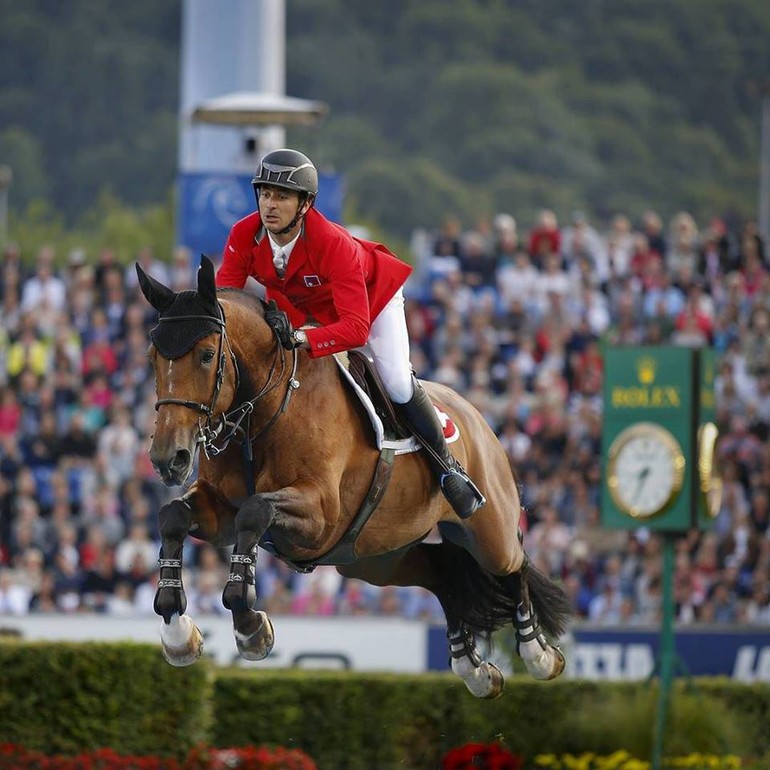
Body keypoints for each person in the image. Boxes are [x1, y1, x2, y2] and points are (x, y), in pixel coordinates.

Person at [215, 148, 484, 518]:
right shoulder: (244, 234)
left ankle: (448, 469)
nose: (269, 204)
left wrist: (301, 338)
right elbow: (224, 302)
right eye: (264, 194)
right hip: (308, 307)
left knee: (396, 381)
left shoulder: (331, 242)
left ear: (305, 204)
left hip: (372, 302)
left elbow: (355, 329)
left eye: (281, 196)